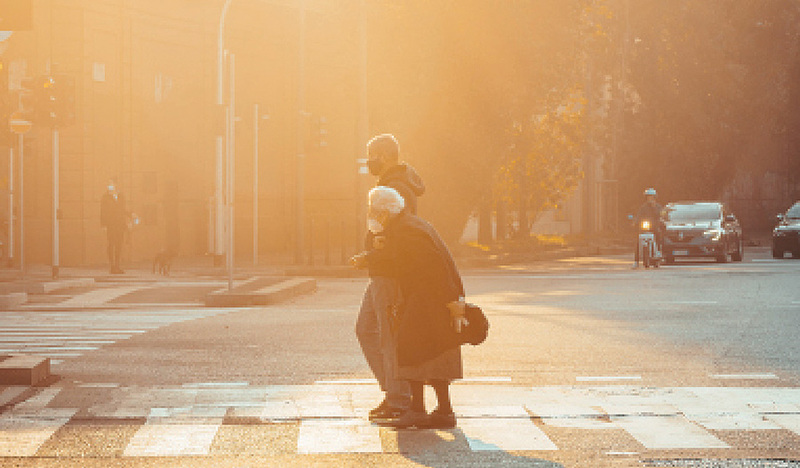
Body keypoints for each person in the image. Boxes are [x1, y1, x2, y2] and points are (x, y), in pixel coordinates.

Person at [354, 186, 467, 430]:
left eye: (372, 210)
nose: (370, 214)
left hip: (425, 298)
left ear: (383, 212)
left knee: (411, 350)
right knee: (433, 354)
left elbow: (427, 263)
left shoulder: (405, 230)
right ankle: (444, 411)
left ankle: (417, 410)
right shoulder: (412, 225)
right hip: (433, 297)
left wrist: (451, 301)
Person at [352, 134, 425, 422]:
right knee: (367, 329)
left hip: (390, 272)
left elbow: (393, 235)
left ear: (384, 155)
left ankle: (398, 398)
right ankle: (394, 392)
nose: (370, 161)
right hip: (382, 270)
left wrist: (371, 256)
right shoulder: (398, 184)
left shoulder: (395, 187)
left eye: (372, 155)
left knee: (386, 335)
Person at [100, 180, 128, 274]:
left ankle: (117, 265)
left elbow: (123, 209)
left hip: (120, 224)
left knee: (119, 245)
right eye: (109, 185)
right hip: (110, 224)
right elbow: (103, 211)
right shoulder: (105, 197)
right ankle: (112, 266)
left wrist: (129, 216)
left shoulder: (121, 196)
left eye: (111, 185)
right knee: (111, 244)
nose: (110, 187)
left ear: (116, 185)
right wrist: (104, 225)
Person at [635, 187, 665, 261]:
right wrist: (635, 222)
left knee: (658, 235)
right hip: (645, 227)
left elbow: (662, 215)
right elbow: (639, 215)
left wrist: (654, 208)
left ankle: (658, 251)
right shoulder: (643, 207)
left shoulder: (658, 207)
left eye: (651, 197)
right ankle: (636, 260)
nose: (649, 198)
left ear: (655, 197)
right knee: (638, 240)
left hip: (655, 226)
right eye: (648, 197)